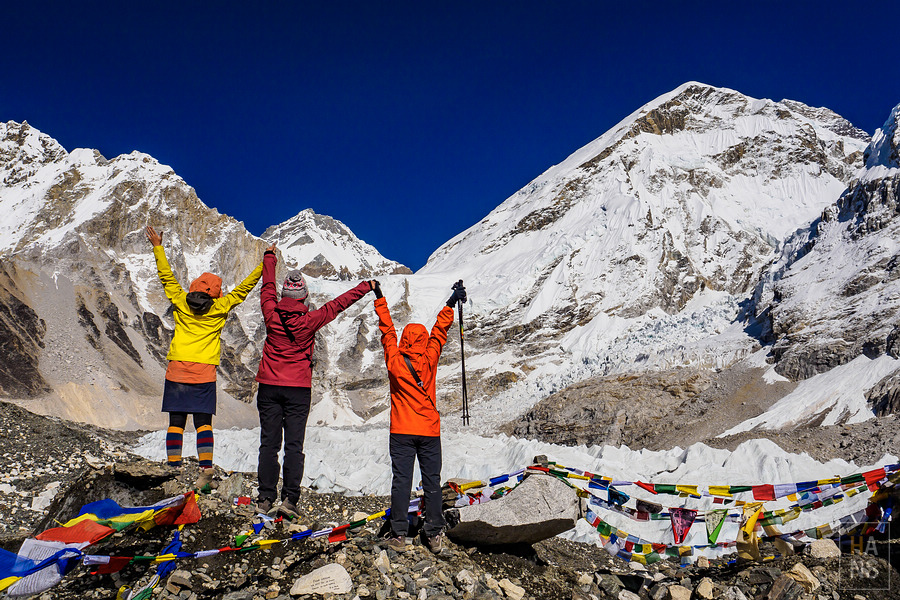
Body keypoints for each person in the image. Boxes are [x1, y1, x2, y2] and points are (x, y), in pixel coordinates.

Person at [254, 244, 377, 517]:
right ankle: (289, 500)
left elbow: (267, 287)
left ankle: (264, 498)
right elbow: (338, 305)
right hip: (298, 390)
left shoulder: (271, 314)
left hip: (269, 387)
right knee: (294, 446)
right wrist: (365, 286)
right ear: (305, 297)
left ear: (285, 295)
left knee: (269, 444)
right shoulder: (311, 320)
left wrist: (269, 258)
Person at [146, 225, 263, 490]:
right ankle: (205, 469)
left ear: (194, 287)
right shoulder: (221, 306)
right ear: (217, 292)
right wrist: (263, 264)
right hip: (204, 373)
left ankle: (173, 470)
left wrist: (157, 247)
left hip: (177, 369)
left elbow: (166, 276)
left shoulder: (179, 298)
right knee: (203, 424)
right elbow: (244, 290)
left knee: (176, 422)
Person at [374, 280, 466, 553]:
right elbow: (440, 330)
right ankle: (433, 534)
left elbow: (387, 330)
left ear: (404, 340)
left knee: (401, 482)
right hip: (429, 430)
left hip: (401, 430)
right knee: (432, 483)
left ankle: (400, 534)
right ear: (423, 340)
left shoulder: (394, 359)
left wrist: (379, 297)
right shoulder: (430, 358)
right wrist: (452, 301)